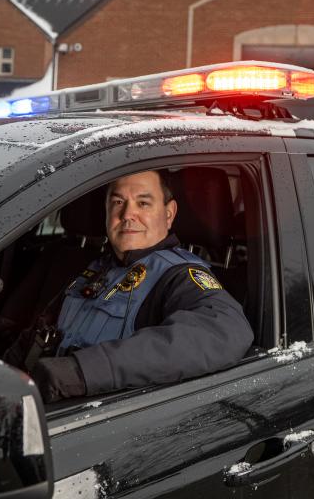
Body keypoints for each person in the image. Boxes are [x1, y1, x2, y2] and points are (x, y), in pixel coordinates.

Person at [17, 169, 254, 403]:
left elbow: (223, 331)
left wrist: (80, 371)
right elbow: (38, 335)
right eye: (118, 201)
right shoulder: (97, 268)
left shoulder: (179, 275)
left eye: (143, 203)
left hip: (104, 420)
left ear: (169, 214)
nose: (128, 214)